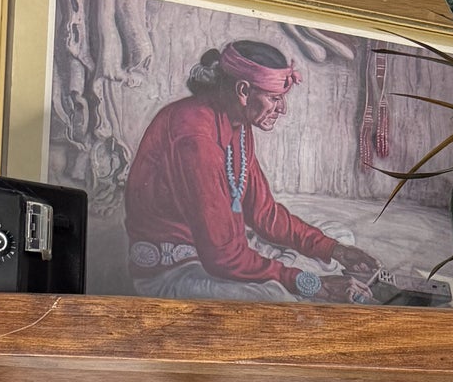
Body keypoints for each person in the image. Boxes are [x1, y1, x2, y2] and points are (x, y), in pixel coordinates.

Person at [122, 39, 385, 301]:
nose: (282, 109)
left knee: (337, 236)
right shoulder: (194, 136)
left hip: (224, 255)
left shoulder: (239, 125)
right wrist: (312, 283)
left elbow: (265, 214)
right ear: (244, 90)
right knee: (277, 299)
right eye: (274, 98)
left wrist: (335, 250)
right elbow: (224, 257)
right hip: (177, 271)